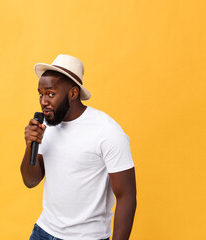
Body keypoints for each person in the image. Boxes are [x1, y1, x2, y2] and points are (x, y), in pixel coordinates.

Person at [21, 54, 137, 240]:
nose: (43, 101)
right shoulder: (47, 126)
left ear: (73, 93)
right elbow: (30, 181)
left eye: (51, 93)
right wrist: (30, 146)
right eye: (41, 94)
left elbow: (127, 196)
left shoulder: (107, 131)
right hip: (43, 232)